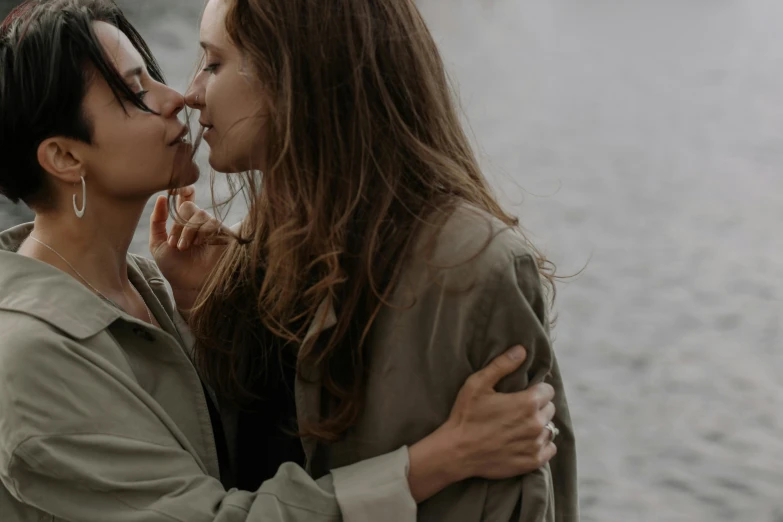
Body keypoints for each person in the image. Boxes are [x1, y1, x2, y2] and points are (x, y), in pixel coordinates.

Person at [0, 1, 559, 521]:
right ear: (65, 156)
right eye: (135, 89)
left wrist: (206, 311)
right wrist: (440, 458)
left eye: (211, 64)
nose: (179, 96)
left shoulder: (145, 290)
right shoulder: (29, 355)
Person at [155, 0, 578, 520]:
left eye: (214, 63)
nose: (191, 92)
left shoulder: (472, 269)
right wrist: (208, 310)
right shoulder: (253, 253)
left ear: (296, 73)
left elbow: (520, 501)